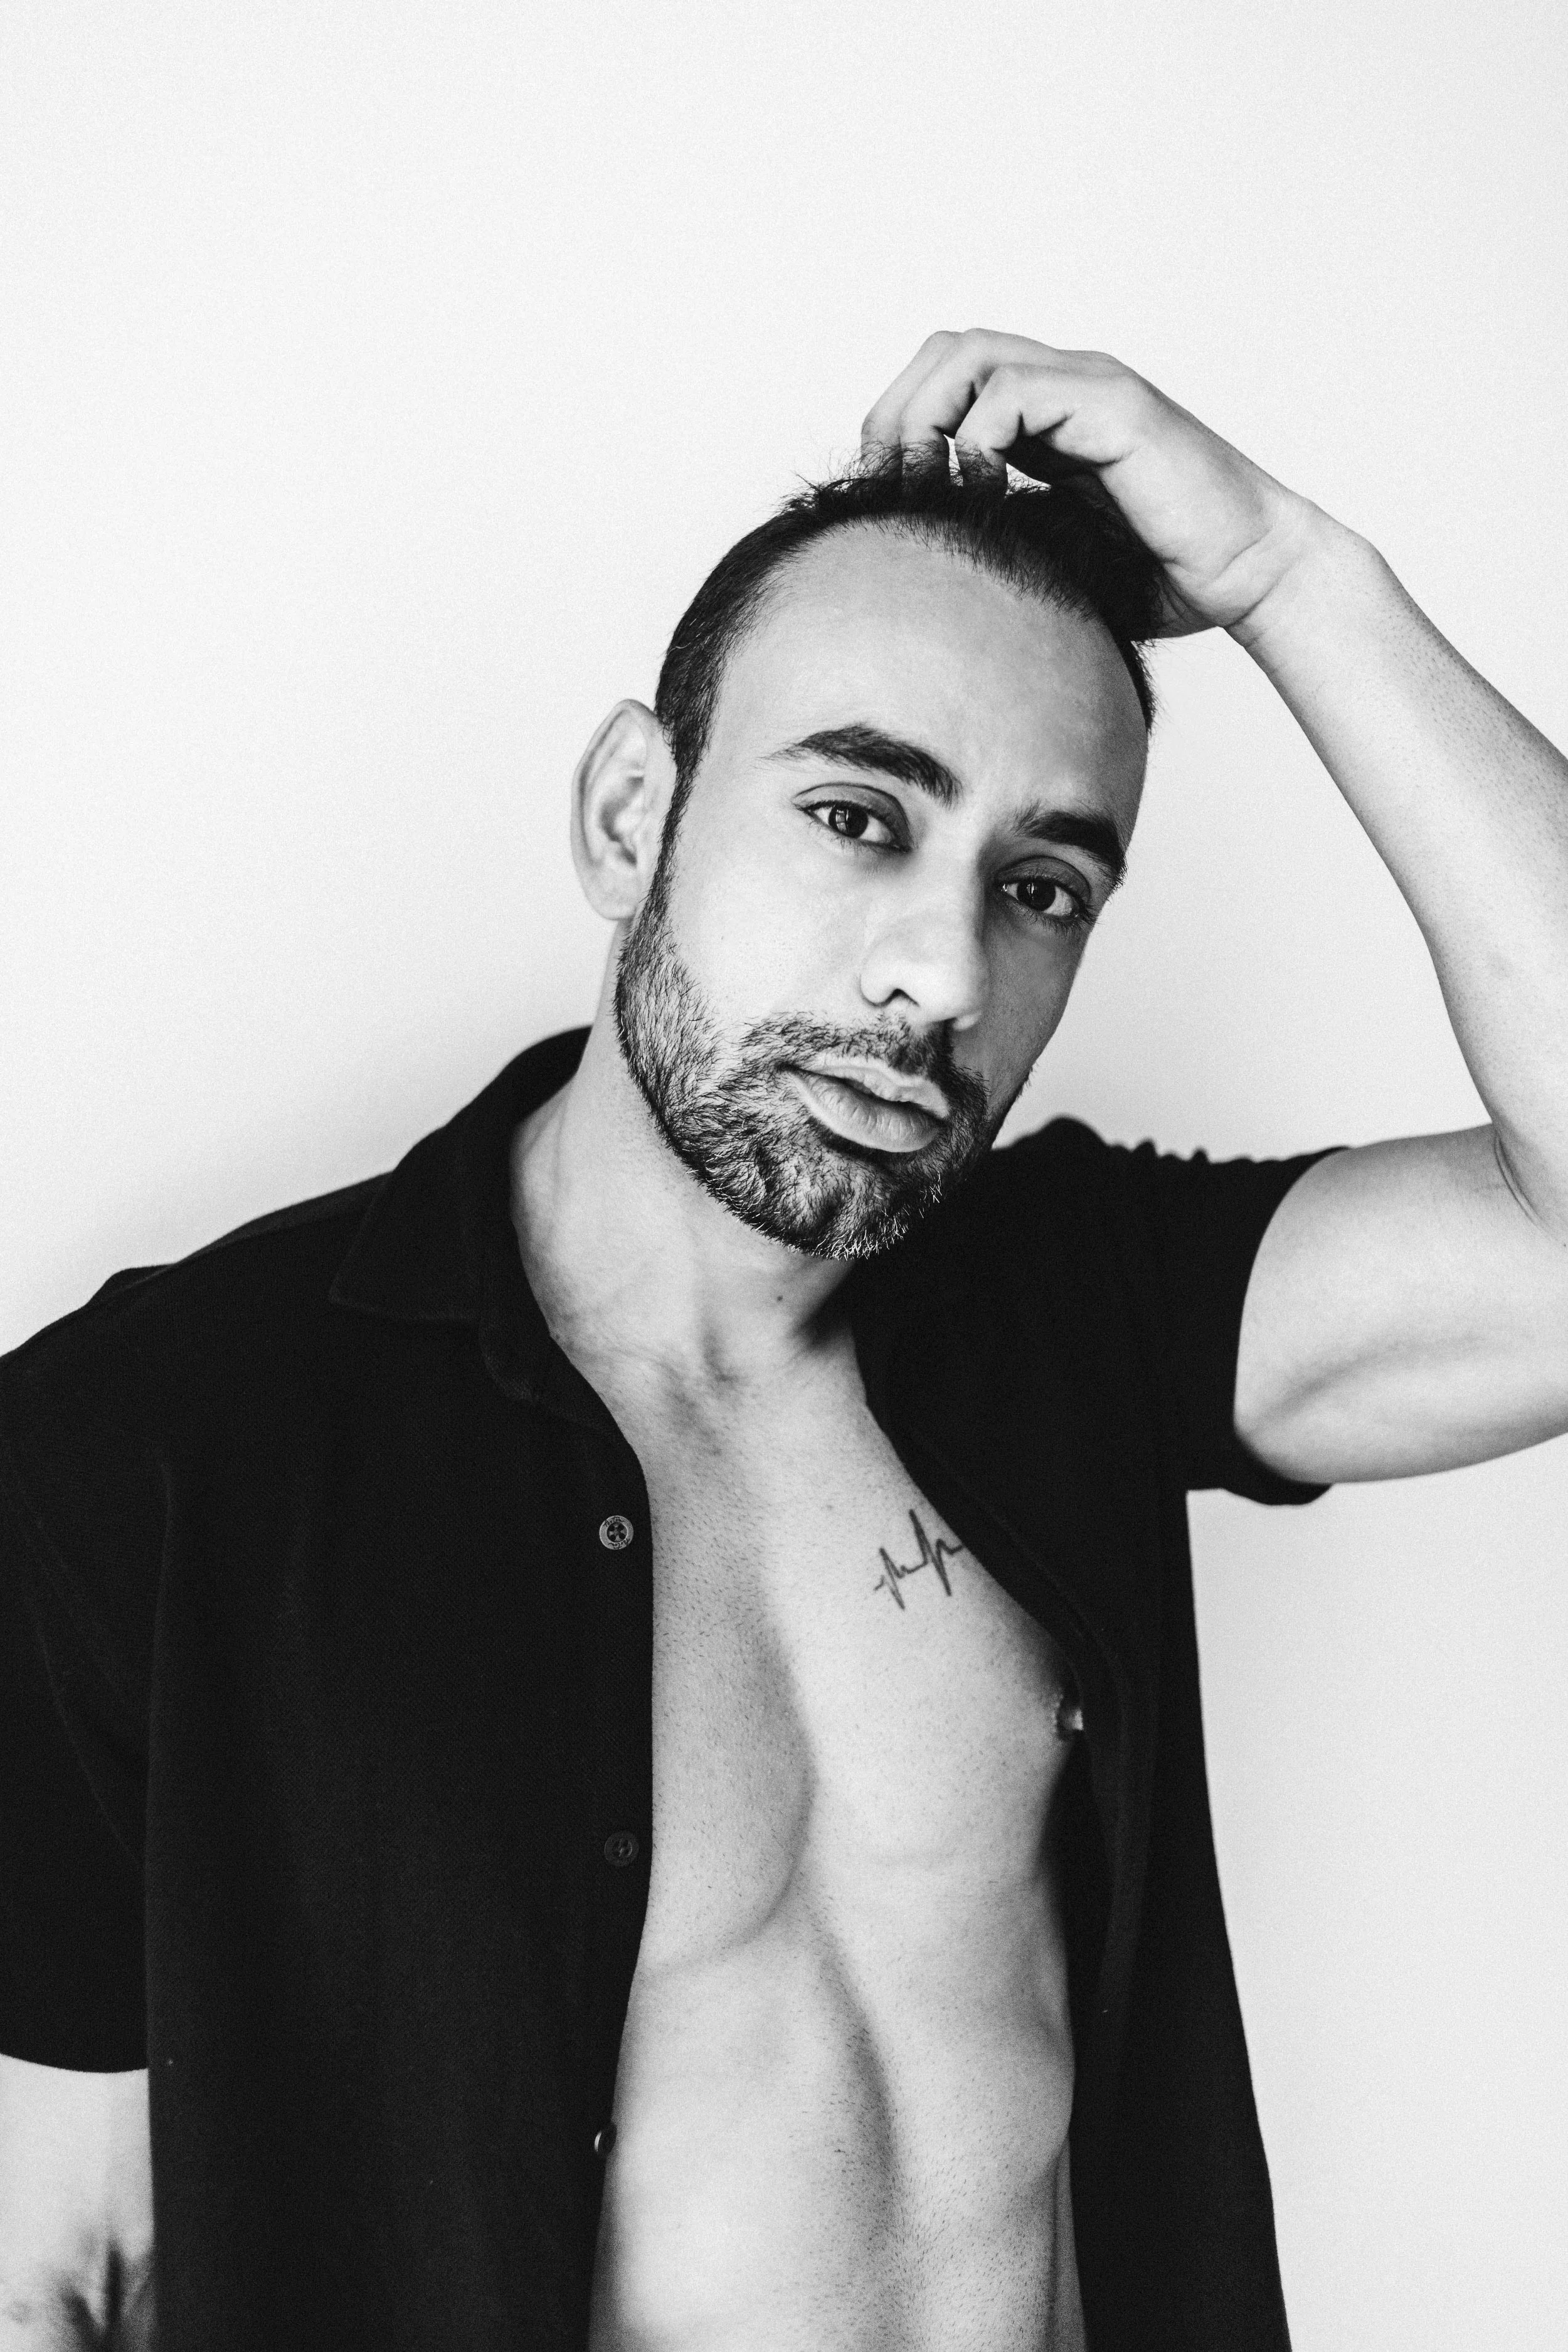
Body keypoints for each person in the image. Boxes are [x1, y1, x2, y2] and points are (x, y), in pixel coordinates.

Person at [2, 327, 1566, 2352]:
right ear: (629, 812)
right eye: (856, 814)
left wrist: (1287, 577)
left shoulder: (1077, 1301)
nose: (938, 970)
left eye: (1042, 884)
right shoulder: (151, 1444)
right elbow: (56, 2274)